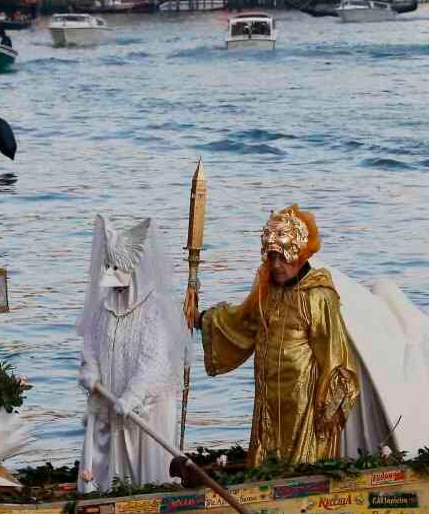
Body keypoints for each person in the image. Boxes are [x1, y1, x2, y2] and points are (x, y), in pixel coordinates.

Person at [187, 205, 360, 465]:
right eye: (271, 258)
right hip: (268, 400)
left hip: (303, 407)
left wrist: (331, 409)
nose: (276, 265)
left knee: (300, 464)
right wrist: (199, 319)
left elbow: (336, 356)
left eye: (282, 257)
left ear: (298, 255)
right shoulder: (267, 292)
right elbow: (241, 325)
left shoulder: (318, 297)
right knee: (266, 460)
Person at [76, 217, 186, 493]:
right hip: (110, 403)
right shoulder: (104, 307)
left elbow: (154, 361)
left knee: (144, 472)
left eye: (117, 267)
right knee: (109, 470)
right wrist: (91, 369)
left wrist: (132, 396)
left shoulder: (154, 310)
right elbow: (91, 340)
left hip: (144, 410)